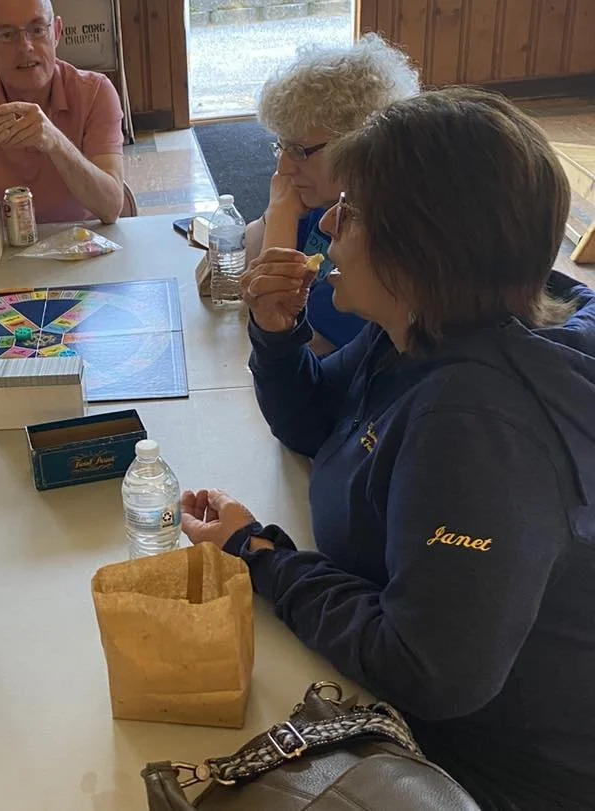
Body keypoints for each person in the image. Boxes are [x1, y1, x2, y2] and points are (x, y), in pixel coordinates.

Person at [181, 88, 595, 809]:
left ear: (419, 247)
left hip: (488, 775)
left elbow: (426, 669)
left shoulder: (475, 427)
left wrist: (264, 557)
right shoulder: (423, 326)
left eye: (352, 211)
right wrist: (277, 336)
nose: (327, 223)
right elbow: (313, 423)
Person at [245, 34, 419, 353]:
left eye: (298, 150)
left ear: (359, 144)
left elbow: (296, 335)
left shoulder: (371, 245)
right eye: (281, 147)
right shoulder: (321, 206)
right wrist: (278, 212)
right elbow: (250, 264)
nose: (283, 167)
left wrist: (281, 216)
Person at [0, 0, 125, 225]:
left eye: (38, 29)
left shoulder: (95, 92)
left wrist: (56, 143)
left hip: (84, 239)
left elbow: (111, 207)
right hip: (1, 242)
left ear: (56, 31)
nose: (25, 47)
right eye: (6, 35)